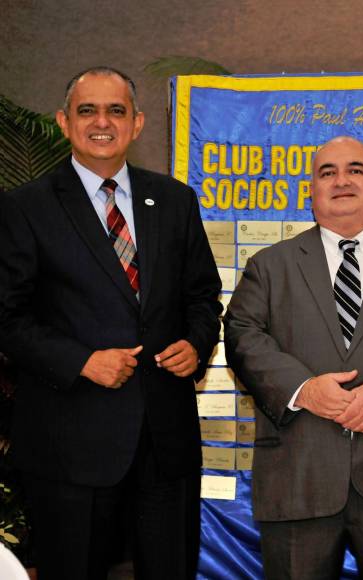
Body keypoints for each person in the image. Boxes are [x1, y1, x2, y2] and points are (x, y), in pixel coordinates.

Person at [0, 67, 223, 580]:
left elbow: (203, 295)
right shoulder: (24, 207)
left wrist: (196, 341)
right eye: (88, 110)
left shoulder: (174, 200)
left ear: (138, 123)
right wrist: (82, 362)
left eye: (116, 110)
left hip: (164, 443)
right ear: (64, 121)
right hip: (68, 444)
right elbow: (7, 317)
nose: (103, 122)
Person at [223, 136, 363, 580]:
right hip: (298, 478)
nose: (342, 181)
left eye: (356, 170)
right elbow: (242, 336)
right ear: (311, 192)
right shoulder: (269, 265)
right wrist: (304, 389)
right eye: (327, 173)